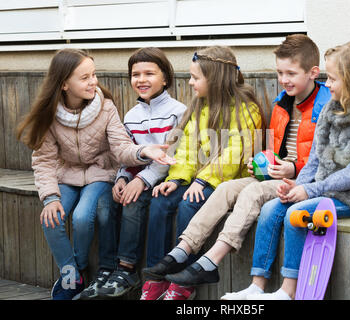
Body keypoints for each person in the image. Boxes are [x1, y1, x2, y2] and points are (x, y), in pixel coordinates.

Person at [141, 35, 331, 300]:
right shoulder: (281, 105)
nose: (284, 79)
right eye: (280, 73)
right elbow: (272, 150)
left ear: (313, 73)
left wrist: (292, 168)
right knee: (225, 190)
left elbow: (321, 158)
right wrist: (263, 164)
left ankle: (209, 262)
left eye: (291, 73)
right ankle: (182, 250)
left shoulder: (326, 107)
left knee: (217, 198)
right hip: (275, 177)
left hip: (303, 181)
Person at [222, 41, 350, 300]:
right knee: (272, 208)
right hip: (326, 189)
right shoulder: (329, 110)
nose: (327, 84)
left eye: (334, 79)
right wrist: (295, 186)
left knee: (298, 213)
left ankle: (288, 291)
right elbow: (314, 159)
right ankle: (257, 286)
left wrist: (308, 191)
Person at [16, 49, 175, 300]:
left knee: (82, 217)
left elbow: (121, 147)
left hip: (100, 173)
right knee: (51, 217)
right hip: (66, 175)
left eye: (94, 74)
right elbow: (44, 160)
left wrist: (145, 150)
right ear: (64, 84)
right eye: (84, 77)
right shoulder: (51, 114)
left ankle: (81, 267)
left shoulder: (106, 107)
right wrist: (50, 197)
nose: (93, 82)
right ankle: (70, 272)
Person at [140, 46, 264, 300]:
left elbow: (235, 154)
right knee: (161, 200)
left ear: (216, 78)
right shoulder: (198, 106)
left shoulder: (246, 108)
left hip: (228, 180)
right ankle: (157, 277)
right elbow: (185, 149)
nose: (190, 82)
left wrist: (202, 179)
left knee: (189, 203)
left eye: (196, 78)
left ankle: (184, 283)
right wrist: (175, 179)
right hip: (199, 177)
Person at [75, 48, 187, 299]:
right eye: (136, 74)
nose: (141, 79)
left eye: (149, 73)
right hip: (136, 175)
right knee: (109, 202)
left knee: (133, 202)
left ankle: (127, 269)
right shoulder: (132, 115)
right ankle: (107, 270)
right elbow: (126, 152)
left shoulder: (178, 112)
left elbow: (170, 158)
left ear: (165, 78)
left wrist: (141, 181)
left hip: (164, 178)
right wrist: (123, 177)